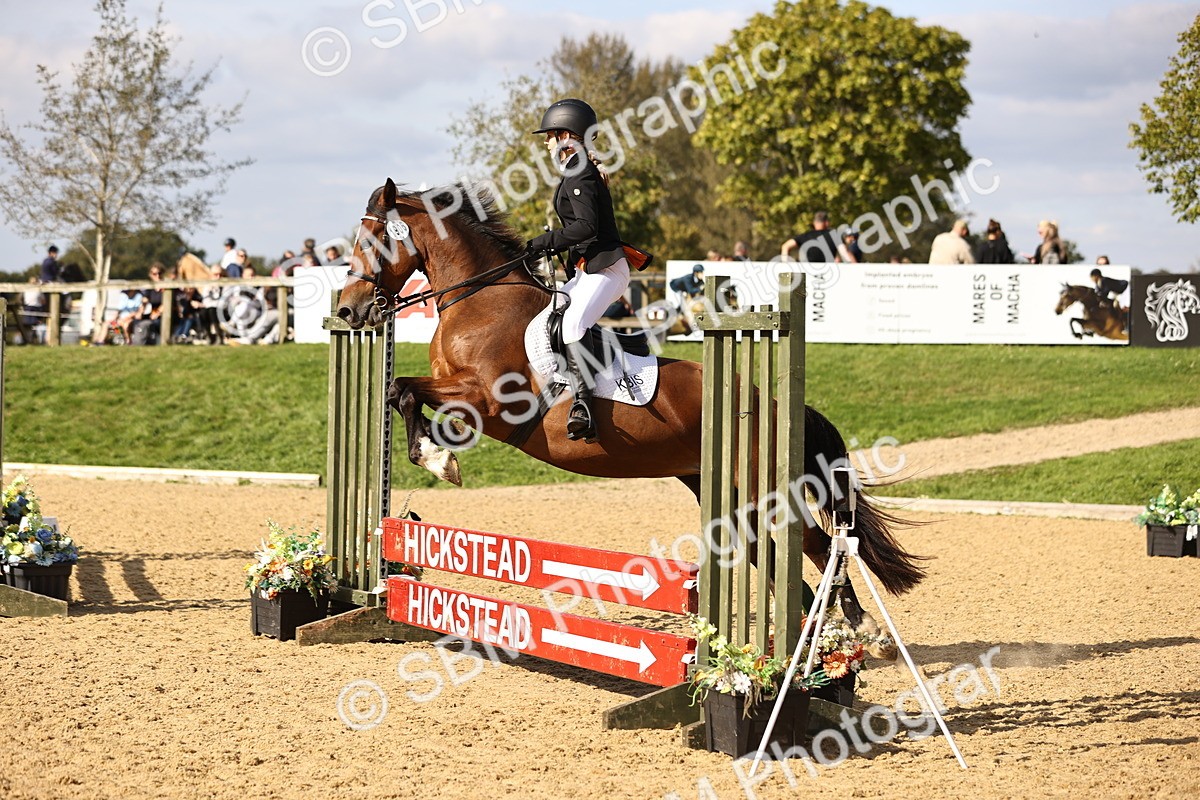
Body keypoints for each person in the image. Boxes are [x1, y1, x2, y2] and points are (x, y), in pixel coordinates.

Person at [524, 98, 632, 442]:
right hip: (589, 270)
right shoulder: (578, 167)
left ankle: (583, 406)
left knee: (572, 325)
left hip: (607, 270)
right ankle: (571, 382)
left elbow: (586, 226)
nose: (546, 142)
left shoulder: (579, 169)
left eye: (550, 135)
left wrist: (543, 242)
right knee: (549, 318)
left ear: (567, 135)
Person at [129, 263, 164, 345]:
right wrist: (140, 312)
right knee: (137, 321)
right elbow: (145, 301)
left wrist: (158, 313)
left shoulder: (166, 287)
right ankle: (136, 342)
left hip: (163, 315)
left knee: (154, 322)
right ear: (150, 275)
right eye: (155, 274)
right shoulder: (150, 288)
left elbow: (166, 304)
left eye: (160, 273)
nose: (157, 276)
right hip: (153, 314)